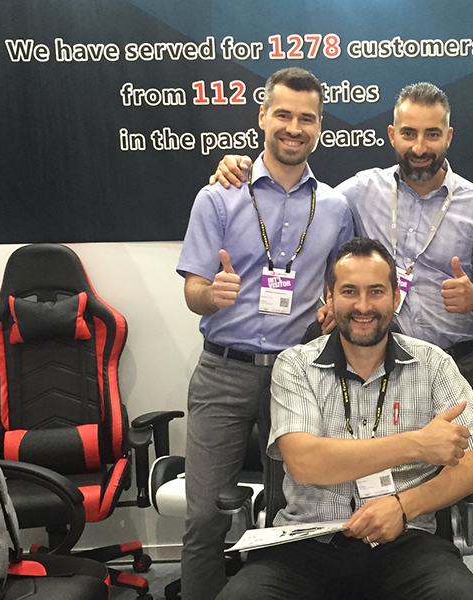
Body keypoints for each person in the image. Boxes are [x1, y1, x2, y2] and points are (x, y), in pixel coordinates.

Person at [216, 237, 473, 600]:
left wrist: (404, 506)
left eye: (376, 291)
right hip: (306, 544)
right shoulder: (295, 365)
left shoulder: (433, 364)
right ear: (329, 298)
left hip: (405, 540)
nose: (363, 306)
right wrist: (417, 444)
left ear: (395, 298)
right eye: (349, 291)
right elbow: (305, 462)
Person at [209, 83, 473, 406]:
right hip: (375, 367)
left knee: (456, 442)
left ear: (448, 137)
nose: (419, 147)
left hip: (454, 364)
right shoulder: (361, 190)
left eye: (432, 135)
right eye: (408, 133)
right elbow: (300, 193)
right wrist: (242, 168)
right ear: (392, 135)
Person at [176, 67, 354, 600]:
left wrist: (331, 307)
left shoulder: (335, 206)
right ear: (262, 117)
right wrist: (212, 294)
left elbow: (339, 283)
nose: (294, 127)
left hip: (297, 377)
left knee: (292, 516)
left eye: (307, 118)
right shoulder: (218, 196)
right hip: (223, 372)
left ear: (319, 126)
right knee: (205, 516)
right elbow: (192, 290)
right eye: (283, 114)